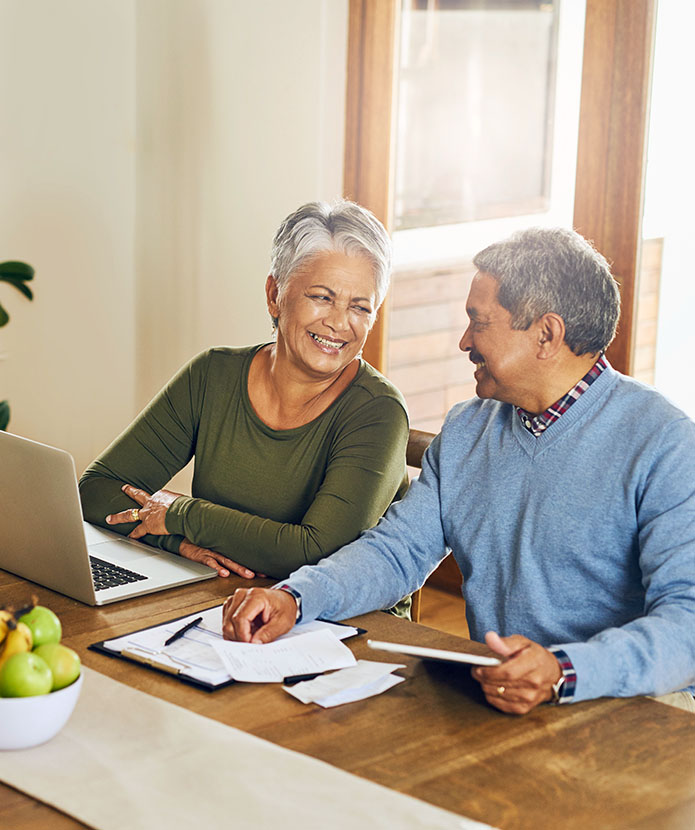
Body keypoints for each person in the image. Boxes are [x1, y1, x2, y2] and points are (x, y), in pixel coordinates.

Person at [222, 227, 695, 715]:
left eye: (479, 322)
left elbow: (688, 626)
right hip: (502, 701)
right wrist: (296, 597)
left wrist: (563, 671)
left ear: (546, 335)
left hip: (639, 708)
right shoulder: (469, 428)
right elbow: (397, 553)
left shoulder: (665, 444)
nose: (464, 341)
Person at [79, 200, 411, 612]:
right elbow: (96, 490)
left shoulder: (378, 412)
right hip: (222, 601)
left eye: (361, 306)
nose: (340, 323)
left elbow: (319, 552)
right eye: (323, 297)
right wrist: (175, 540)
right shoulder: (212, 375)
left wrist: (183, 514)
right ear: (275, 295)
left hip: (341, 625)